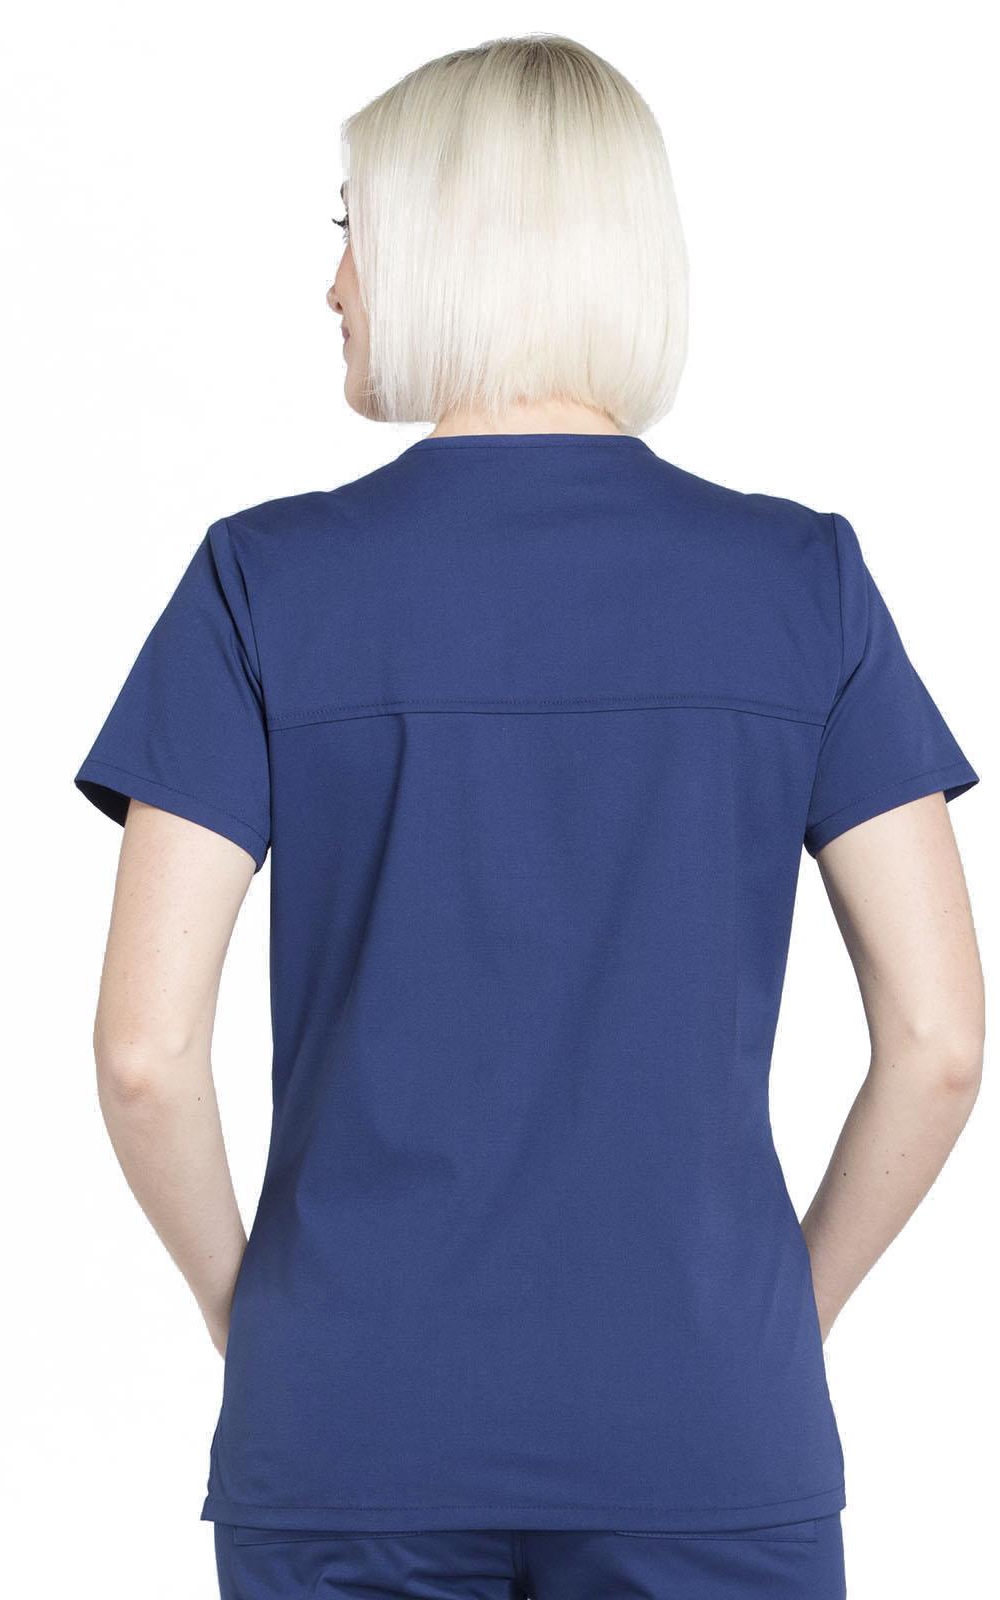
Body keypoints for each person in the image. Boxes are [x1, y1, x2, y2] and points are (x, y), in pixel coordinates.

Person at [74, 33, 984, 1600]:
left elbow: (144, 1055)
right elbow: (941, 1042)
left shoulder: (261, 582)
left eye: (352, 228)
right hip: (706, 1424)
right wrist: (773, 1326)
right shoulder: (802, 584)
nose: (335, 284)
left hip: (350, 1422)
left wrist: (266, 1331)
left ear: (445, 242)